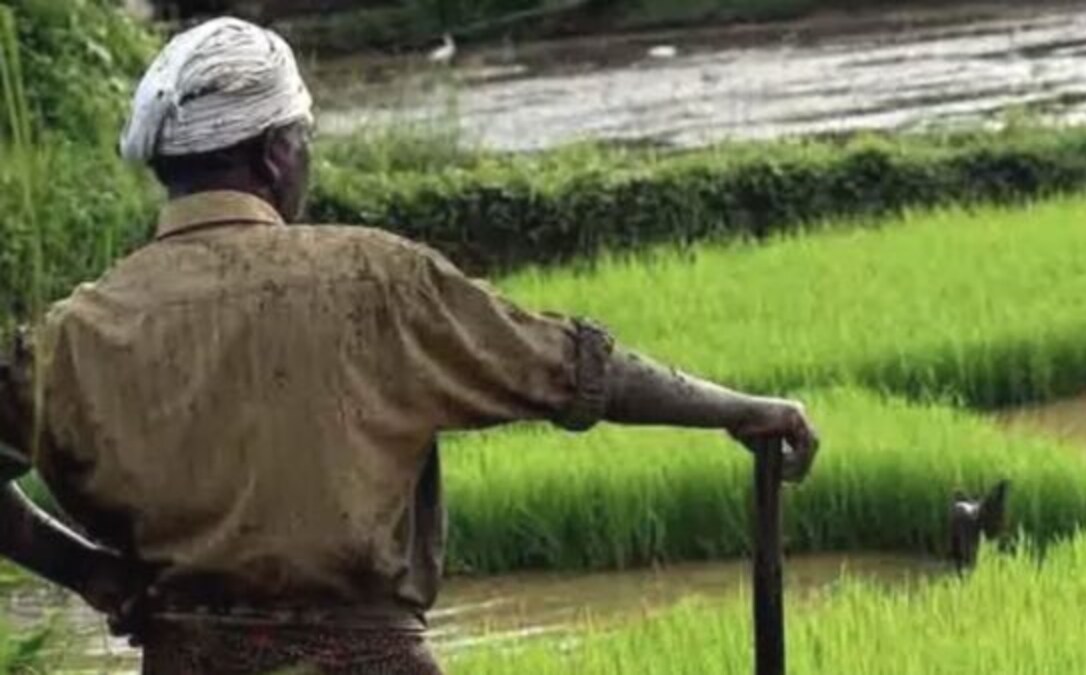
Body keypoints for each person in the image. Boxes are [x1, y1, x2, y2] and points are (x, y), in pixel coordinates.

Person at [0, 17, 818, 675]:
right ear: (277, 152)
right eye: (303, 137)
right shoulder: (372, 279)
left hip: (184, 655)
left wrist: (90, 572)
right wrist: (740, 408)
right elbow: (570, 368)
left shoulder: (77, 331)